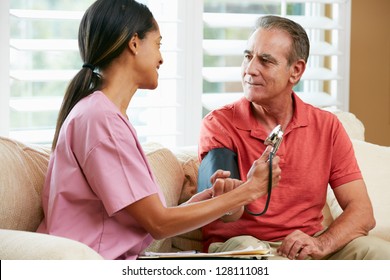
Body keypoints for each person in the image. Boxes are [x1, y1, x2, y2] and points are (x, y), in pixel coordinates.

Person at [36, 0, 281, 260]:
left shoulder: (104, 115)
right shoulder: (100, 119)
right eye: (158, 44)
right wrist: (250, 190)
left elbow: (151, 220)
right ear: (134, 43)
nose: (161, 58)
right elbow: (160, 224)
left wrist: (211, 199)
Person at [197, 15, 390, 260]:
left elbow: (362, 213)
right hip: (245, 246)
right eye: (248, 56)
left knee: (378, 252)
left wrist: (321, 243)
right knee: (252, 251)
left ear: (295, 71)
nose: (250, 69)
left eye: (265, 61)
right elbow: (223, 212)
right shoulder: (219, 124)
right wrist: (247, 189)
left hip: (306, 247)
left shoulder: (327, 126)